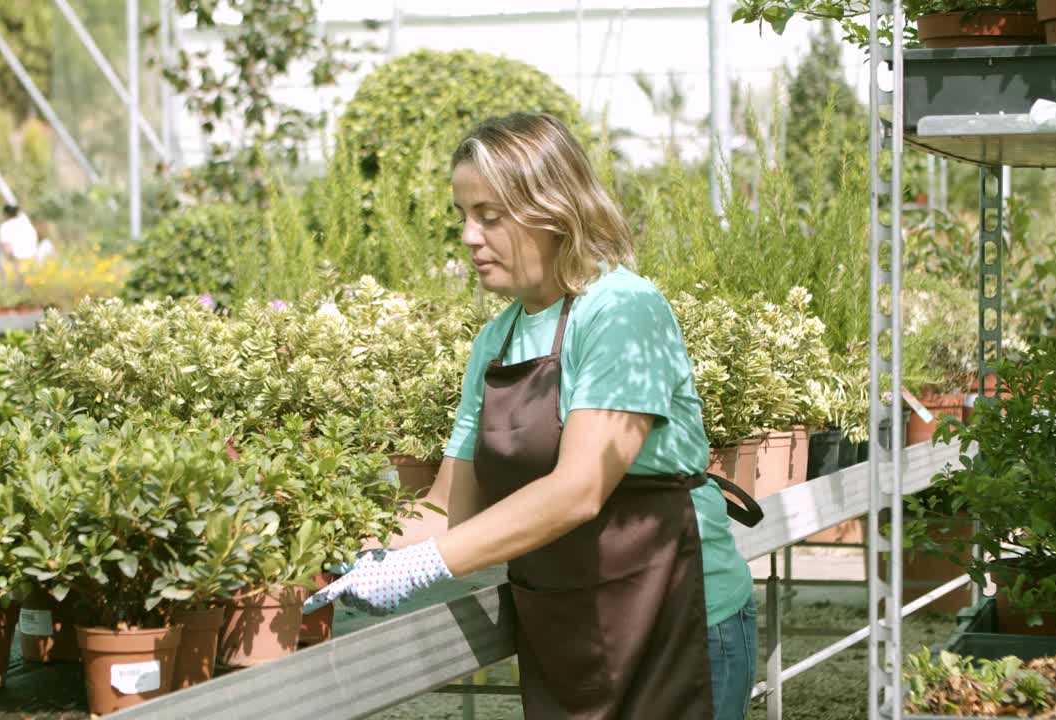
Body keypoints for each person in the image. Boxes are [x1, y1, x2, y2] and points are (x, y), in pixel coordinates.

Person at [304, 112, 763, 720]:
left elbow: (580, 488)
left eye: (490, 216)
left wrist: (426, 565)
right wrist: (338, 551)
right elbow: (448, 507)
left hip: (672, 617)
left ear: (553, 213)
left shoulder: (621, 310)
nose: (469, 236)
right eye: (463, 216)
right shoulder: (495, 342)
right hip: (564, 626)